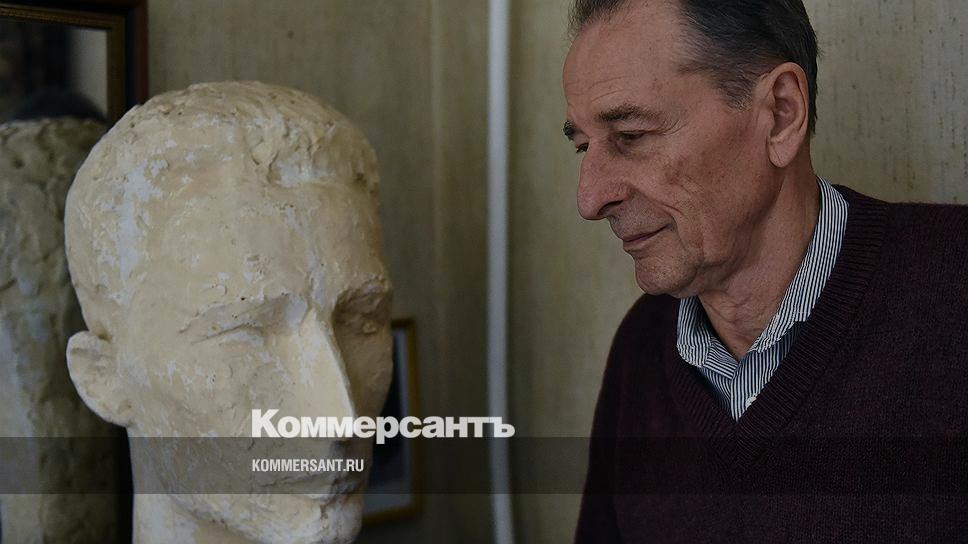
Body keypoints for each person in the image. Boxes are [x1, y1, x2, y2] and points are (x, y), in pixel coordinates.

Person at [562, 0, 968, 541]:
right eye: (583, 148)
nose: (590, 199)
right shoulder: (640, 347)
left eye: (631, 135)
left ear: (780, 114)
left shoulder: (954, 288)